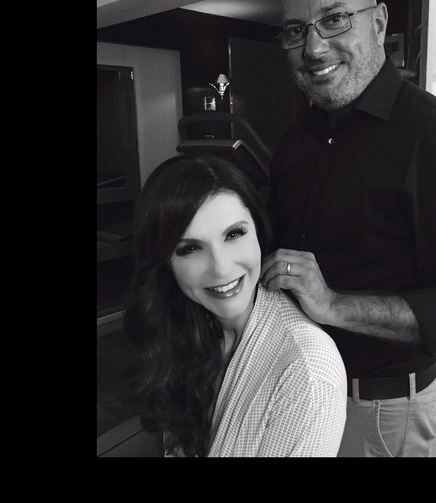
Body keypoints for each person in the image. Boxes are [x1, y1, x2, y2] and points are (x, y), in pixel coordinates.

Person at [261, 0, 436, 457]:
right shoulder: (294, 141)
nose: (313, 48)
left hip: (380, 407)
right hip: (298, 388)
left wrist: (334, 304)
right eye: (296, 31)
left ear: (379, 23)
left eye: (334, 19)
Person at [123, 154, 347, 457]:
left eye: (233, 234)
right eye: (190, 248)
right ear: (165, 262)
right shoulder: (188, 322)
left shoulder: (306, 373)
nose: (221, 268)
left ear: (258, 231)